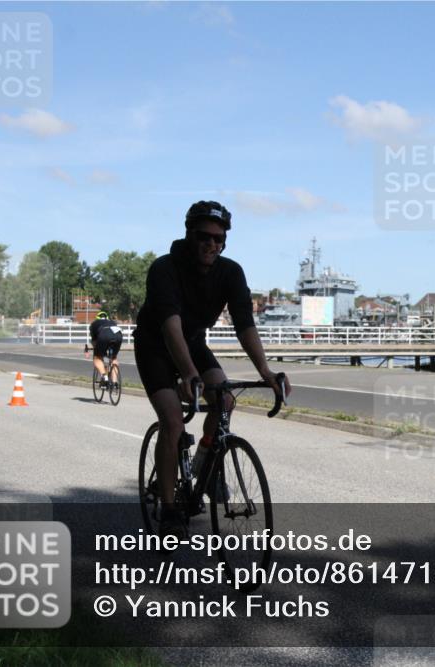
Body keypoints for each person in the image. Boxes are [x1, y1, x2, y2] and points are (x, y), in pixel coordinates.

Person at [134, 200, 291, 537]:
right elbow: (170, 326)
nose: (211, 244)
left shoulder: (230, 272)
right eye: (204, 236)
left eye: (219, 239)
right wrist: (189, 374)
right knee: (173, 421)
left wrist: (265, 371)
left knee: (225, 400)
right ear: (189, 234)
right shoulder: (164, 268)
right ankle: (170, 510)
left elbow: (245, 325)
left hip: (192, 343)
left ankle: (205, 468)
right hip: (155, 345)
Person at [88, 311, 123, 386]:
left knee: (97, 358)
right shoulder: (112, 322)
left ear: (97, 318)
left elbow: (94, 341)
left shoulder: (94, 324)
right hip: (118, 336)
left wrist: (97, 351)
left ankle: (104, 377)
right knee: (114, 358)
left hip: (104, 335)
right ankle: (114, 382)